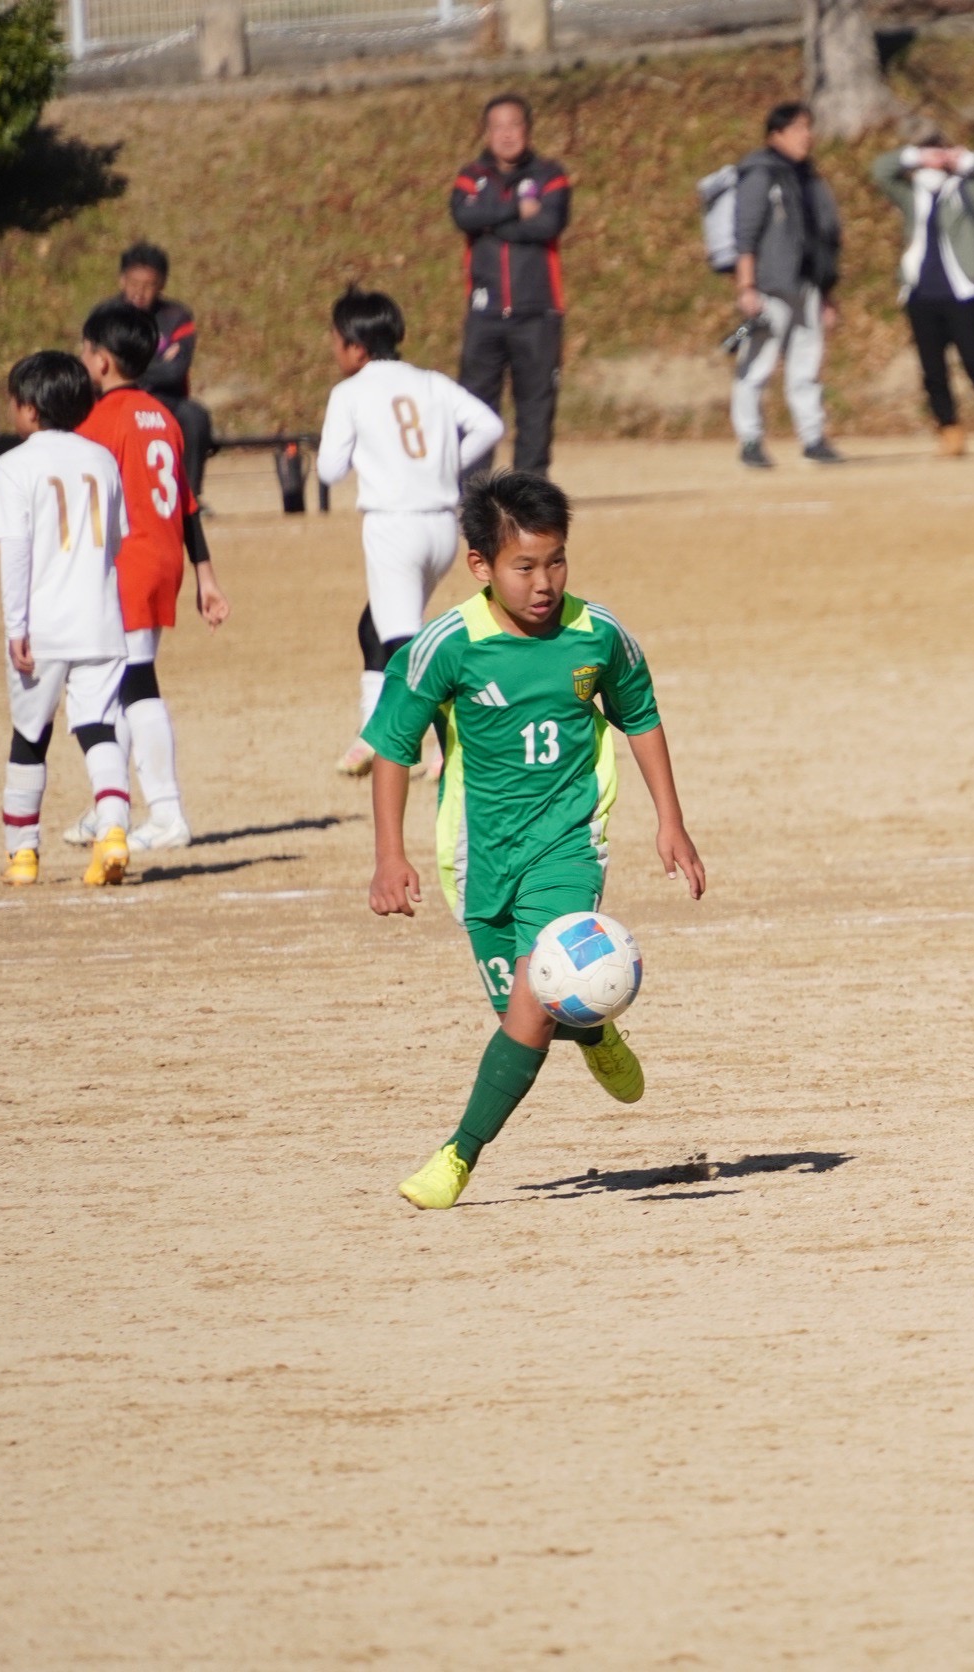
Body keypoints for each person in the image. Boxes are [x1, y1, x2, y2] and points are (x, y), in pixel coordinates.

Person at [364, 473, 705, 1211]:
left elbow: (641, 717)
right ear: (480, 565)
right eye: (524, 566)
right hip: (479, 858)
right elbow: (393, 746)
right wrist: (390, 854)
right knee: (526, 1019)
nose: (544, 582)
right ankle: (595, 1031)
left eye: (556, 561)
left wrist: (670, 820)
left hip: (567, 844)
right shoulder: (448, 646)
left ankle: (457, 1157)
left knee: (532, 1007)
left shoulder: (598, 635)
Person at [64, 301, 232, 855]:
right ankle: (108, 805)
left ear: (103, 360)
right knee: (119, 684)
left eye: (86, 351)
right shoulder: (162, 416)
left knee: (133, 684)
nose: (82, 360)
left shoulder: (98, 423)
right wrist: (205, 575)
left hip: (127, 565)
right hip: (163, 562)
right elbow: (187, 505)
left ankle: (166, 812)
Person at [318, 286, 507, 778]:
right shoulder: (431, 382)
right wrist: (446, 467)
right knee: (374, 627)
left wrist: (374, 459)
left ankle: (448, 739)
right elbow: (489, 425)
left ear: (356, 347)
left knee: (406, 643)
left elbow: (329, 469)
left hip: (393, 525)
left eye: (335, 340)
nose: (333, 349)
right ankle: (371, 731)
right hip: (442, 526)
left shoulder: (350, 392)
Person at [0, 352, 135, 889]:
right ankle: (113, 830)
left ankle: (23, 852)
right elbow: (116, 539)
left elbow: (15, 554)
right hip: (100, 621)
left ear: (29, 407)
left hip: (43, 626)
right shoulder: (102, 459)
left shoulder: (13, 465)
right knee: (98, 727)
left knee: (30, 734)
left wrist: (16, 627)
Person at [872, 137, 974, 458]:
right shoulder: (911, 194)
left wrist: (967, 160)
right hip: (920, 292)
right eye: (932, 155)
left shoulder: (968, 191)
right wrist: (915, 156)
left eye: (941, 155)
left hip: (962, 291)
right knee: (932, 369)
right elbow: (879, 170)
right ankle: (949, 431)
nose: (937, 162)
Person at [450, 94, 571, 478]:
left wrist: (491, 223)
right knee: (474, 406)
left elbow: (547, 225)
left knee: (535, 406)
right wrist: (516, 210)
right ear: (486, 133)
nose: (506, 135)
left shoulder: (550, 175)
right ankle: (473, 490)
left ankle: (529, 491)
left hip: (537, 312)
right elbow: (463, 216)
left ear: (528, 129)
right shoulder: (471, 177)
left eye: (513, 125)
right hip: (484, 312)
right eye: (497, 127)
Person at [731, 102, 846, 469]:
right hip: (770, 286)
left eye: (808, 127)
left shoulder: (809, 177)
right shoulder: (760, 173)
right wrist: (746, 286)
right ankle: (750, 440)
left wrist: (827, 293)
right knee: (757, 363)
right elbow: (746, 233)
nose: (806, 135)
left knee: (807, 365)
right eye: (797, 128)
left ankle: (813, 438)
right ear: (775, 134)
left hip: (808, 284)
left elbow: (824, 237)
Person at [112, 243, 214, 498]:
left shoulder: (177, 317)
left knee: (195, 417)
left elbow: (175, 372)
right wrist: (155, 363)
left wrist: (129, 366)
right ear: (122, 280)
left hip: (165, 401)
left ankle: (190, 498)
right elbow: (101, 367)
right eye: (134, 283)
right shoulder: (107, 316)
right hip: (118, 401)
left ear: (162, 284)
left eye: (149, 285)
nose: (139, 292)